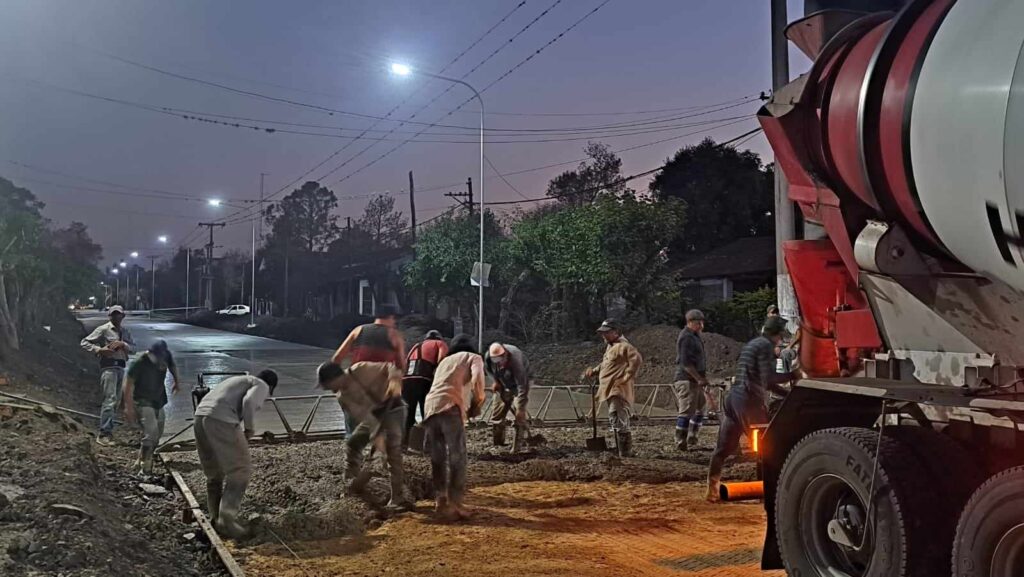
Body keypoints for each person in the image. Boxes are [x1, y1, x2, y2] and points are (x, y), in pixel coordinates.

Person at [322, 304, 411, 511]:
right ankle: (356, 482)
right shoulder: (394, 335)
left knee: (359, 439)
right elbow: (400, 367)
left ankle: (385, 491)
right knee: (375, 442)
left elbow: (336, 358)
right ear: (390, 318)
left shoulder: (358, 330)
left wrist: (346, 377)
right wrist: (394, 383)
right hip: (380, 394)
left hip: (370, 397)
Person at [707, 315, 797, 502]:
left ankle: (712, 489)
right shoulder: (766, 347)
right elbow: (769, 379)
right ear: (777, 335)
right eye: (781, 336)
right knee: (766, 445)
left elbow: (765, 381)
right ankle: (764, 493)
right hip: (748, 401)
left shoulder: (753, 344)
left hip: (733, 399)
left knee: (723, 448)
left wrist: (787, 394)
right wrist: (793, 375)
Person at [193, 369, 278, 538]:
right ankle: (227, 519)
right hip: (221, 419)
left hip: (200, 417)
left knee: (214, 474)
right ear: (271, 386)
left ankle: (215, 518)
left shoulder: (238, 380)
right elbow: (249, 401)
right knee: (240, 471)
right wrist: (249, 429)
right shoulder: (261, 385)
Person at [422, 334, 486, 521]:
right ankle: (456, 504)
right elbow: (478, 382)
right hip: (450, 408)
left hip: (430, 408)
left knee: (438, 457)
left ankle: (440, 499)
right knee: (458, 456)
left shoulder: (444, 361)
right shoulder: (473, 357)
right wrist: (477, 404)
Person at [584, 319, 643, 457]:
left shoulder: (624, 346)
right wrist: (595, 370)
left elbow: (637, 359)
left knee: (617, 417)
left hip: (618, 390)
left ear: (616, 332)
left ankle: (625, 451)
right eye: (602, 333)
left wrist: (627, 376)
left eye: (607, 333)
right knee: (614, 417)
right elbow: (607, 363)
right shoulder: (611, 346)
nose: (603, 336)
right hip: (610, 389)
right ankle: (620, 449)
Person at [123, 339, 181, 474]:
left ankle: (140, 458)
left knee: (158, 433)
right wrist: (128, 407)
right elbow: (128, 384)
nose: (161, 361)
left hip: (159, 399)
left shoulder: (166, 355)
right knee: (151, 432)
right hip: (142, 400)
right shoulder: (140, 362)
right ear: (151, 353)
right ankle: (146, 465)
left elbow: (172, 366)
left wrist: (177, 381)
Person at [81, 305, 135, 445]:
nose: (116, 317)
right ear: (109, 316)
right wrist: (99, 350)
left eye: (119, 314)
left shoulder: (125, 332)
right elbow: (84, 342)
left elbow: (134, 349)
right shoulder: (104, 329)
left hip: (120, 368)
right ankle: (104, 433)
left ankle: (109, 430)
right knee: (109, 401)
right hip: (108, 368)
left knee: (115, 402)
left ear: (123, 316)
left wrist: (123, 344)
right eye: (113, 314)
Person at [402, 330, 449, 449]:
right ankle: (429, 445)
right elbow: (442, 359)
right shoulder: (440, 344)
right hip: (424, 380)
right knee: (427, 412)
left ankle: (403, 444)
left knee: (408, 414)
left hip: (406, 381)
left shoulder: (415, 346)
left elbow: (405, 363)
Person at [485, 342, 532, 453]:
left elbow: (522, 385)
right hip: (503, 380)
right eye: (496, 360)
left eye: (501, 359)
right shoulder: (488, 357)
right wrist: (496, 381)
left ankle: (516, 447)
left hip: (520, 382)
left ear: (505, 354)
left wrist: (520, 408)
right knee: (497, 413)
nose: (499, 362)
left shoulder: (515, 360)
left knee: (518, 416)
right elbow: (489, 370)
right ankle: (498, 443)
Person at [673, 309, 709, 451]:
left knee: (701, 408)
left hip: (695, 379)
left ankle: (692, 435)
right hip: (686, 380)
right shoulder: (686, 337)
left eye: (702, 323)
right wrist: (698, 378)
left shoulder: (695, 336)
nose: (701, 326)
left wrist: (703, 378)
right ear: (689, 322)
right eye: (698, 323)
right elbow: (685, 362)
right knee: (687, 410)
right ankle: (680, 440)